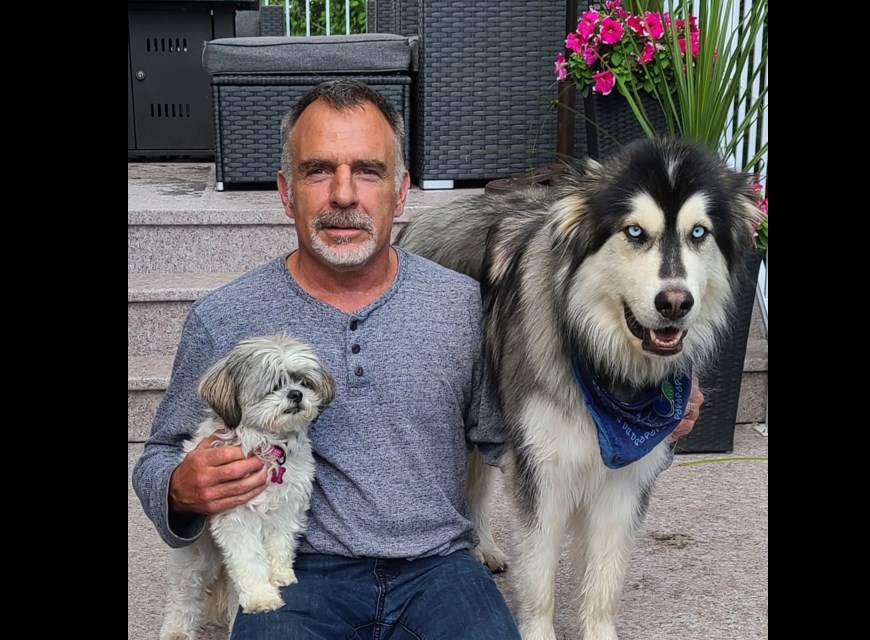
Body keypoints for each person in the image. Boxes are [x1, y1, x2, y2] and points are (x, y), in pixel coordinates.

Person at [132, 79, 702, 640]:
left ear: (400, 191)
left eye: (368, 171)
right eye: (318, 170)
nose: (344, 195)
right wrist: (181, 487)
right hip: (301, 571)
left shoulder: (458, 302)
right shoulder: (225, 315)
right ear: (286, 190)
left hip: (439, 566)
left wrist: (647, 415)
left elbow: (514, 440)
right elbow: (157, 456)